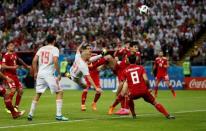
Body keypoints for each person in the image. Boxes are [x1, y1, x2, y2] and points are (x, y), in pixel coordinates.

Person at [108, 54, 175, 119]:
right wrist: (149, 88)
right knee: (155, 103)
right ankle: (167, 115)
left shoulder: (125, 70)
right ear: (136, 60)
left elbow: (121, 84)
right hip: (144, 91)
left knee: (128, 97)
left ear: (128, 60)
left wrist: (117, 92)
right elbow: (146, 80)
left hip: (133, 92)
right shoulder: (141, 67)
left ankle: (133, 115)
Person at [27, 34, 68, 121]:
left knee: (38, 93)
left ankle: (30, 114)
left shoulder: (41, 49)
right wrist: (59, 73)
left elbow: (34, 60)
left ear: (46, 41)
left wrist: (35, 72)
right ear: (54, 41)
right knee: (60, 92)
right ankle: (59, 115)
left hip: (40, 74)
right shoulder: (55, 49)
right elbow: (55, 60)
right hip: (49, 74)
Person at [70, 41, 103, 111]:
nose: (90, 56)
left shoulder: (78, 56)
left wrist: (82, 43)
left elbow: (78, 49)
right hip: (76, 78)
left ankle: (69, 75)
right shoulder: (83, 66)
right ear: (85, 54)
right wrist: (96, 88)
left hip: (72, 71)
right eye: (89, 55)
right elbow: (89, 77)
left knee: (89, 61)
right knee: (84, 86)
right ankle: (70, 77)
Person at [2, 42, 31, 113]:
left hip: (15, 75)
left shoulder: (14, 54)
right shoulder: (6, 56)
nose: (13, 47)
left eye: (13, 45)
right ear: (7, 48)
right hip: (9, 75)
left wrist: (26, 66)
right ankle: (8, 106)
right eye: (11, 46)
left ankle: (16, 107)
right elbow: (3, 66)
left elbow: (19, 60)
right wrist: (13, 67)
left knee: (21, 91)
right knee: (13, 90)